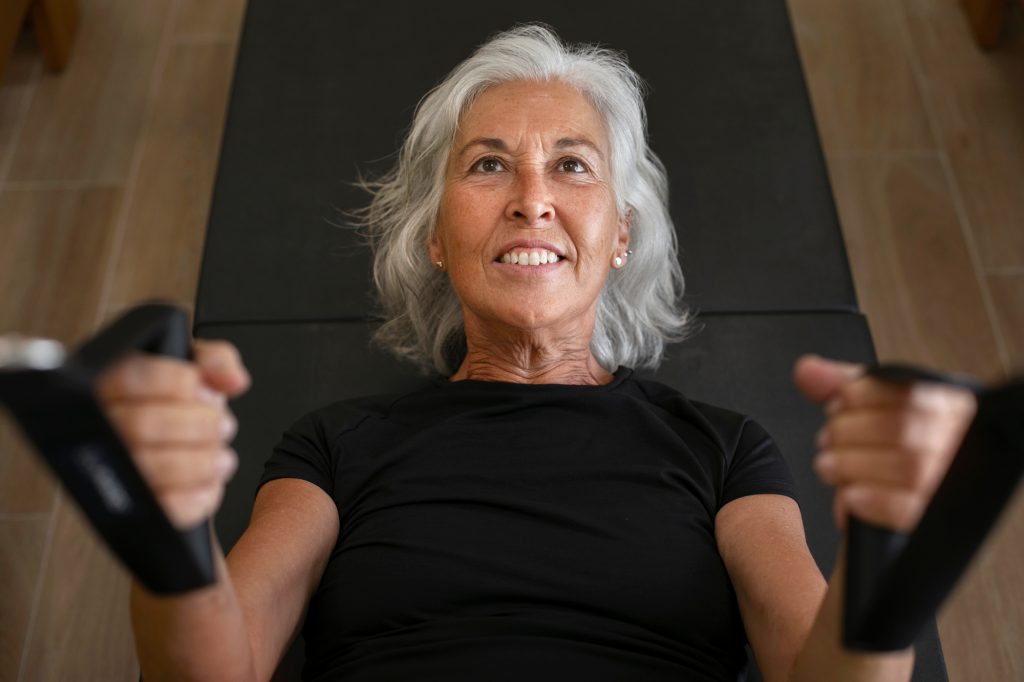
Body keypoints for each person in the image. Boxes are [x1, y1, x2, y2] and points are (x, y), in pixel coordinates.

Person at [101, 25, 976, 682]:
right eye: (487, 166)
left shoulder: (723, 451)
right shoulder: (333, 447)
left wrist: (888, 547)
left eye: (572, 166)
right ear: (437, 237)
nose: (531, 200)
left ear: (621, 234)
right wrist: (166, 528)